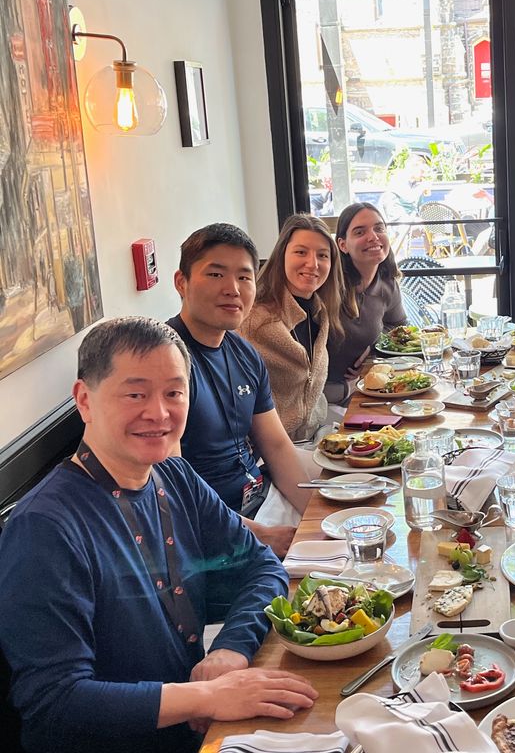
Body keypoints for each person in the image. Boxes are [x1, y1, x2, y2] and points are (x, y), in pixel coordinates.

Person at [0, 317, 317, 753]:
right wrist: (204, 697)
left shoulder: (174, 475)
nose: (159, 413)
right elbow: (54, 700)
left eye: (174, 392)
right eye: (136, 394)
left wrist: (230, 651)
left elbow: (260, 566)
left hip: (193, 731)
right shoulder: (45, 527)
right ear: (85, 401)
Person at [167, 223, 312, 556]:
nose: (232, 289)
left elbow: (275, 445)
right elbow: (171, 489)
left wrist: (316, 516)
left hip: (261, 499)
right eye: (216, 275)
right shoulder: (166, 362)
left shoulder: (244, 353)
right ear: (181, 282)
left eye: (244, 277)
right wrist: (261, 536)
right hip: (213, 532)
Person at [240, 213, 343, 442]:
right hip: (270, 451)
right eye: (301, 252)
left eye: (322, 255)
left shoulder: (320, 314)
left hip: (316, 436)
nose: (313, 263)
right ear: (281, 256)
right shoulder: (253, 320)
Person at [325, 202, 407, 404]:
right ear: (342, 245)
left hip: (364, 391)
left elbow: (398, 327)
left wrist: (374, 347)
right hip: (325, 398)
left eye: (379, 228)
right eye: (360, 232)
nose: (373, 236)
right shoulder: (327, 285)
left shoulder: (387, 283)